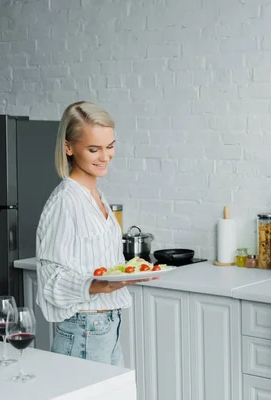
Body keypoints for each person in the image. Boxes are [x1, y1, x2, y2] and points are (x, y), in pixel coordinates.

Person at [36, 101, 156, 366]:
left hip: (106, 325)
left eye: (110, 146)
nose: (105, 157)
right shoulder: (65, 202)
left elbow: (94, 262)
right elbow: (50, 280)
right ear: (69, 147)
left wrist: (130, 271)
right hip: (84, 328)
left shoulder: (96, 196)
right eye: (94, 149)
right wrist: (99, 285)